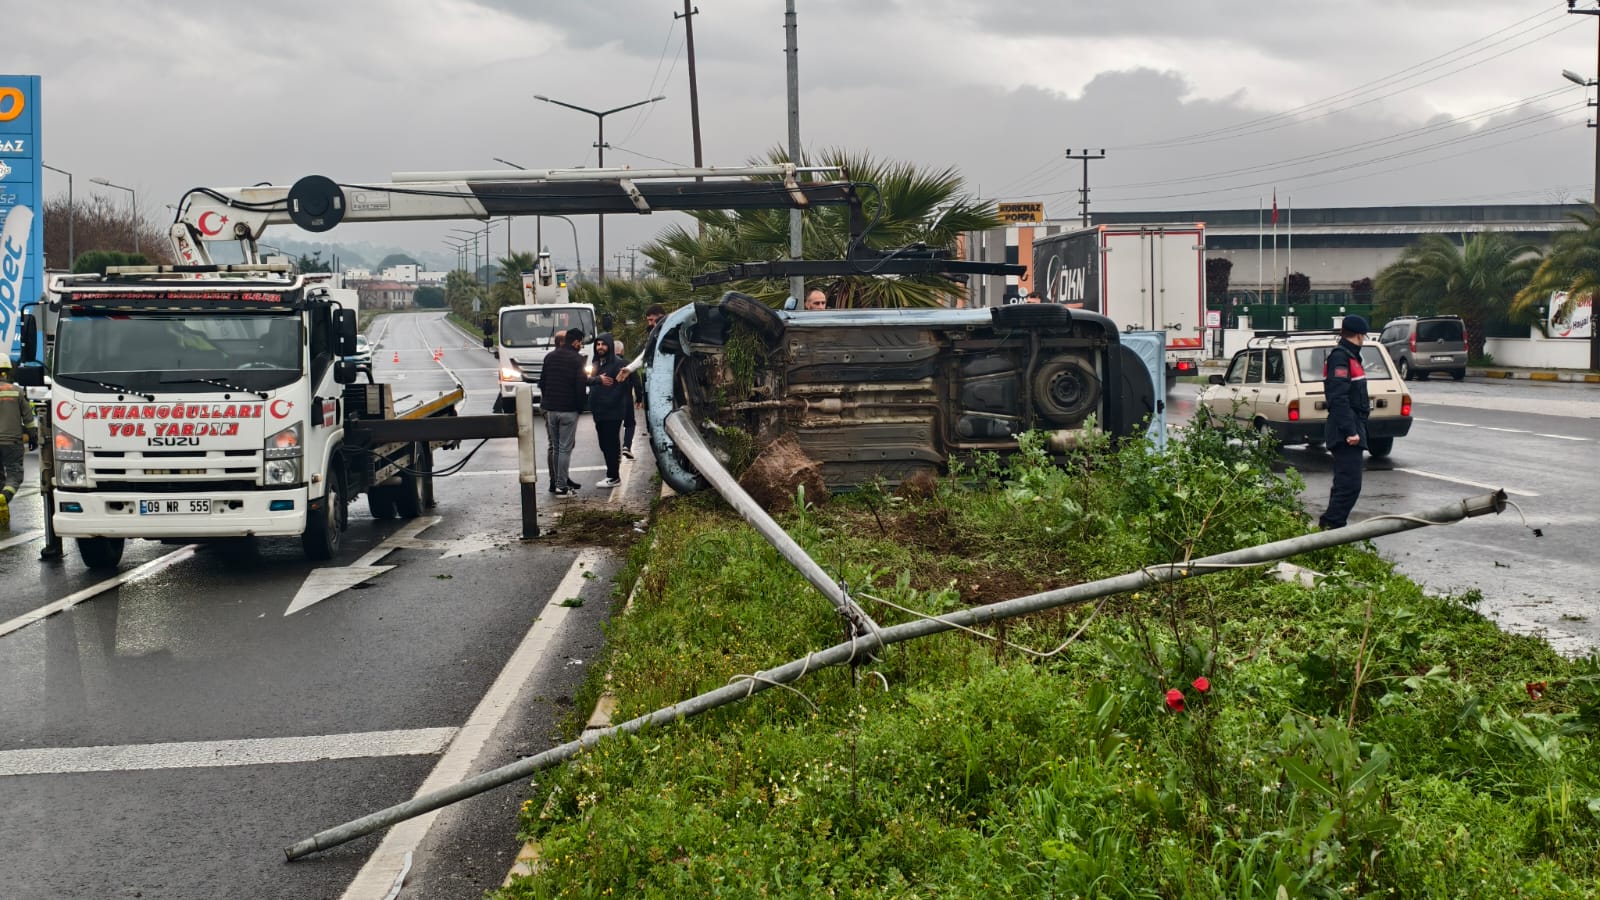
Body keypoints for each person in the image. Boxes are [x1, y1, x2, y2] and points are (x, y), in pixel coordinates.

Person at [1318, 315, 1372, 530]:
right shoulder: (1340, 358)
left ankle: (1332, 529)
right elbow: (1338, 397)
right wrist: (1350, 431)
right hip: (1344, 429)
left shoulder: (1350, 356)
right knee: (1349, 484)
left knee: (1347, 483)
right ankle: (1330, 527)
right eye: (1364, 336)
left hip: (1352, 425)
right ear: (1359, 335)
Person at [538, 329, 587, 495]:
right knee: (565, 448)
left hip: (551, 409)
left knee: (556, 447)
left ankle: (557, 481)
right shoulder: (577, 359)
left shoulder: (549, 357)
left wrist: (548, 402)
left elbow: (542, 383)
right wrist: (580, 408)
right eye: (581, 342)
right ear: (574, 342)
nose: (581, 345)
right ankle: (561, 483)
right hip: (568, 410)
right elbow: (580, 387)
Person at [587, 333, 631, 489]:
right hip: (599, 413)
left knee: (611, 444)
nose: (600, 347)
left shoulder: (617, 365)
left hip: (612, 412)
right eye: (598, 344)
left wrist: (608, 403)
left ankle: (613, 476)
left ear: (610, 346)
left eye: (603, 344)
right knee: (604, 445)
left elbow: (621, 388)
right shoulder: (596, 364)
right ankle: (611, 474)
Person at [0, 361, 39, 507]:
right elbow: (28, 418)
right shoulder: (16, 391)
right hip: (12, 442)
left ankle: (2, 505)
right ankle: (4, 498)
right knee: (14, 476)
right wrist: (33, 436)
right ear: (8, 372)